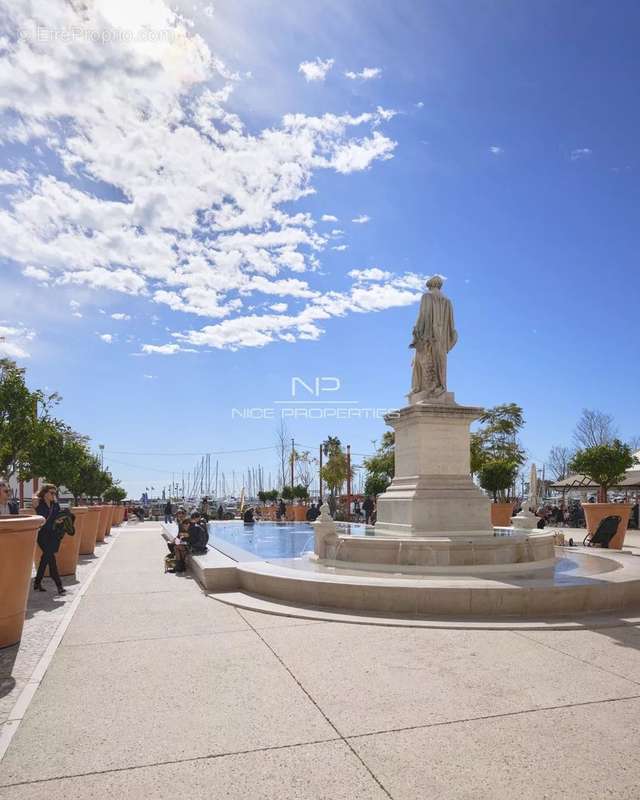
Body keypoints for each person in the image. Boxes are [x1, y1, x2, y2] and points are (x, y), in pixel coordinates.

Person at [33, 484, 65, 594]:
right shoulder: (39, 503)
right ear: (45, 493)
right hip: (41, 534)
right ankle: (59, 585)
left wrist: (59, 520)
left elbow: (57, 517)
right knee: (50, 557)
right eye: (51, 493)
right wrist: (38, 496)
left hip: (52, 534)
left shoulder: (55, 505)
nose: (53, 495)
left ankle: (37, 582)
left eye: (54, 493)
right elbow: (34, 501)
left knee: (46, 557)